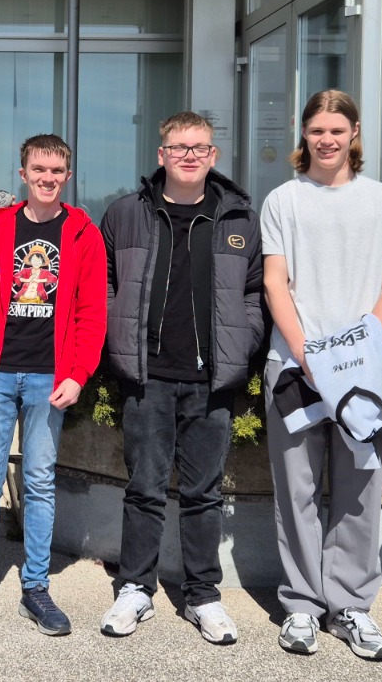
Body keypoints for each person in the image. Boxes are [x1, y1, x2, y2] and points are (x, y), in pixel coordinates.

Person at [98, 111, 265, 645]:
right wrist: (118, 344)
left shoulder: (238, 218)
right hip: (147, 376)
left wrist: (239, 346)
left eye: (200, 147)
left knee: (203, 493)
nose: (189, 155)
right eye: (179, 146)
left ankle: (203, 596)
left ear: (213, 156)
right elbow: (101, 283)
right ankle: (136, 590)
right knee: (144, 488)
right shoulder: (127, 213)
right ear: (161, 154)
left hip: (212, 380)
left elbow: (257, 293)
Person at [0, 134, 107, 635]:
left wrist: (78, 374)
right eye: (39, 170)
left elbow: (92, 312)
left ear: (67, 176)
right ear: (24, 173)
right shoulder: (0, 231)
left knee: (38, 483)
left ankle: (36, 587)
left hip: (49, 377)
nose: (47, 178)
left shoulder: (82, 234)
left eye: (56, 171)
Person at [260, 90, 382, 661]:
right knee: (295, 489)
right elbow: (276, 282)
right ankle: (301, 605)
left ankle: (350, 606)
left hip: (364, 370)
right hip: (294, 364)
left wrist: (356, 344)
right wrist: (310, 354)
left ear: (354, 135)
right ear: (305, 136)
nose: (326, 139)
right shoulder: (284, 200)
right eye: (317, 130)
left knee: (360, 488)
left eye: (336, 130)